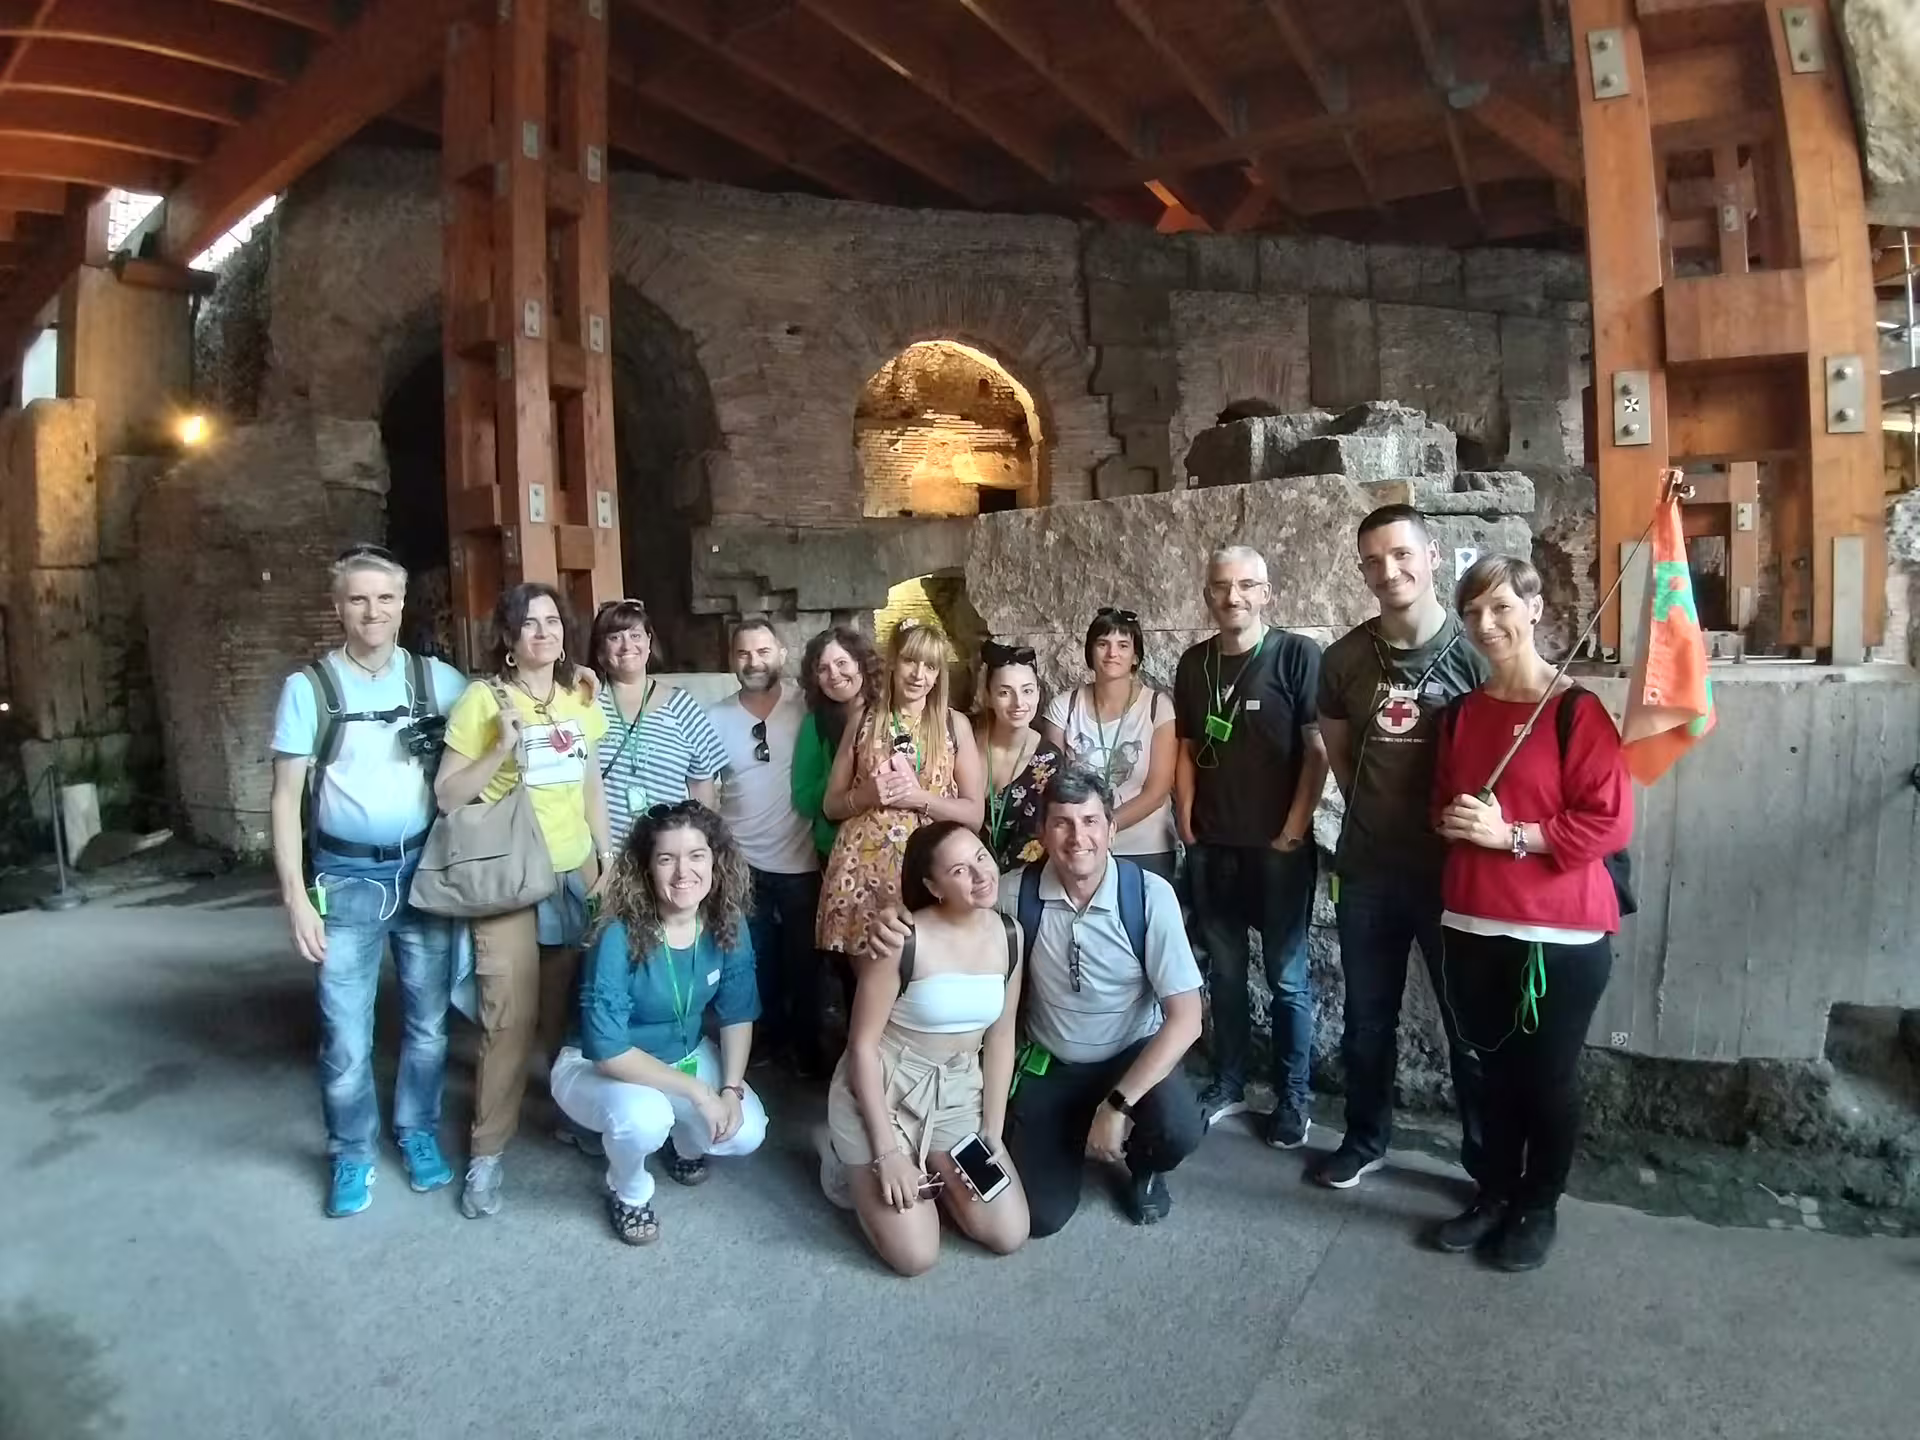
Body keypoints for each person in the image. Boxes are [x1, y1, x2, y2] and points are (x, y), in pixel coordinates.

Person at [1430, 555, 1632, 1272]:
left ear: (1535, 609)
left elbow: (1608, 822)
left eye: (1501, 608)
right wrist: (1454, 820)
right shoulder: (1460, 716)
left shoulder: (1578, 711)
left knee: (1544, 1079)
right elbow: (1442, 804)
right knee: (1488, 1074)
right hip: (1472, 925)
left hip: (1560, 934)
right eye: (1473, 613)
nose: (1486, 624)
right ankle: (1492, 1191)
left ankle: (1536, 1205)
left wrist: (1511, 835)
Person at [268, 544, 468, 1217]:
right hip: (346, 876)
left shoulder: (438, 681)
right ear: (338, 607)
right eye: (358, 598)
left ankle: (416, 1131)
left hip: (423, 872)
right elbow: (284, 798)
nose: (372, 610)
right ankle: (351, 1152)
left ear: (402, 604)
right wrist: (296, 898)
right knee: (347, 1036)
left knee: (429, 1025)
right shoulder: (310, 689)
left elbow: (508, 713)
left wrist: (570, 679)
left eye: (384, 597)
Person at [1310, 506, 1489, 1191]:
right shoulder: (1344, 660)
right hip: (1368, 873)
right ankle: (1365, 1139)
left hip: (1454, 876)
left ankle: (1486, 1163)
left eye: (1402, 554)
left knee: (1469, 1028)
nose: (1389, 571)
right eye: (1374, 561)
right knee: (1365, 1021)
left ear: (1432, 555)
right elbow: (1341, 757)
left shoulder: (1477, 654)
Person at [436, 582, 613, 1219]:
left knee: (562, 1014)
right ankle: (486, 1152)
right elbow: (447, 795)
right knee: (508, 1018)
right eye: (529, 624)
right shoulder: (483, 700)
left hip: (573, 871)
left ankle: (569, 1112)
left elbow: (589, 780)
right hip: (509, 875)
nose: (544, 632)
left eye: (552, 621)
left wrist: (605, 855)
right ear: (509, 639)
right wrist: (500, 748)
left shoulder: (578, 697)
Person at [997, 767, 1206, 1236]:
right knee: (1040, 1217)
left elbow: (1187, 1019)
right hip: (1055, 1061)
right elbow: (953, 921)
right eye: (1062, 823)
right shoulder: (1014, 893)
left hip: (1128, 1056)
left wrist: (1116, 1105)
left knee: (1178, 1128)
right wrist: (902, 927)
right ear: (1042, 832)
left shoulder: (1148, 896)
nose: (1078, 838)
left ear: (1112, 829)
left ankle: (1143, 1163)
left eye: (1091, 821)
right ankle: (1070, 1135)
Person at [551, 801, 768, 1245]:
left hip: (683, 1056)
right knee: (646, 1117)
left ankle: (682, 1144)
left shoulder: (727, 922)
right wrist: (698, 1093)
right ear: (646, 868)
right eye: (667, 858)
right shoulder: (618, 933)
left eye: (696, 856)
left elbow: (737, 1012)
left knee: (746, 1131)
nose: (683, 872)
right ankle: (628, 1190)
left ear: (716, 860)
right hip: (598, 1067)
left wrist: (729, 1089)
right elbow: (608, 1051)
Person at [822, 821, 1031, 1274]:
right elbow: (862, 1047)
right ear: (933, 887)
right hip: (887, 1089)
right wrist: (887, 1154)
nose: (980, 874)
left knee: (1009, 1232)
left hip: (957, 1093)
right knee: (916, 1256)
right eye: (959, 870)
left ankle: (931, 1165)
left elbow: (1001, 1036)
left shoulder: (1010, 934)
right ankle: (844, 1160)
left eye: (980, 857)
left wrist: (992, 1130)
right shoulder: (903, 939)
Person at [1174, 546, 1329, 1145]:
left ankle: (1294, 1099)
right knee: (1226, 975)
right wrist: (1186, 818)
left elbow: (1317, 751)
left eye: (1245, 585)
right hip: (1214, 846)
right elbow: (1189, 747)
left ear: (1267, 593)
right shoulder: (1195, 664)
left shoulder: (1296, 655)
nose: (1232, 596)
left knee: (1288, 980)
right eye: (1220, 586)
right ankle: (1229, 1082)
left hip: (1278, 850)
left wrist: (1293, 829)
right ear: (1207, 595)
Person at [816, 621, 985, 959]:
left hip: (927, 874)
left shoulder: (954, 725)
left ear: (938, 674)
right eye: (910, 661)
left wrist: (919, 799)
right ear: (893, 661)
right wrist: (865, 796)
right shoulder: (863, 718)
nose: (918, 674)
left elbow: (974, 816)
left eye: (930, 666)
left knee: (925, 969)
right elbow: (830, 805)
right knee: (867, 980)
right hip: (860, 876)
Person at [707, 619, 825, 1073]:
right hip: (741, 862)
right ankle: (765, 1042)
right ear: (731, 659)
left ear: (781, 653)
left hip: (802, 860)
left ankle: (807, 1047)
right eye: (743, 653)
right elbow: (703, 787)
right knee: (752, 961)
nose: (753, 662)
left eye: (762, 652)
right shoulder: (715, 717)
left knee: (806, 962)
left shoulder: (808, 707)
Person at [1040, 607, 1177, 881]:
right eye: (1103, 644)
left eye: (1123, 645)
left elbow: (1157, 791)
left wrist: (1103, 826)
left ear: (1135, 656)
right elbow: (1053, 784)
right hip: (1079, 846)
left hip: (1145, 848)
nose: (1112, 653)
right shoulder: (1064, 707)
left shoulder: (1157, 706)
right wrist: (1088, 833)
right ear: (1090, 652)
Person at [590, 598, 727, 850]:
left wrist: (700, 845)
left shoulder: (682, 705)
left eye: (635, 635)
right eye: (615, 637)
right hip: (605, 855)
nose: (627, 645)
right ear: (600, 650)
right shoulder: (587, 704)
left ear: (649, 642)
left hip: (670, 854)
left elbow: (702, 784)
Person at [791, 624, 880, 864]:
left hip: (890, 843)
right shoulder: (815, 723)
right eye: (823, 669)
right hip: (836, 849)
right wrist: (840, 777)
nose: (834, 674)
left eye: (842, 663)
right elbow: (803, 798)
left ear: (861, 663)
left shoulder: (888, 712)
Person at [975, 640, 1062, 872]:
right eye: (1005, 692)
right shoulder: (963, 740)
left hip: (1017, 879)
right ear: (987, 696)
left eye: (1027, 691)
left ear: (1038, 694)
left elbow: (1035, 839)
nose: (1018, 703)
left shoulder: (1048, 760)